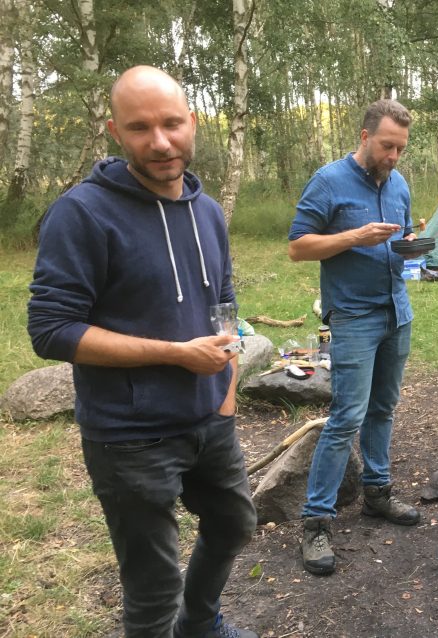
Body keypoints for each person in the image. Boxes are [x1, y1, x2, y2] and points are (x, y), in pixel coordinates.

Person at [27, 66, 257, 638]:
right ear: (114, 132)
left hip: (211, 420)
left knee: (233, 527)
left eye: (172, 124)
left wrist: (225, 395)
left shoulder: (207, 209)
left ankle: (200, 625)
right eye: (139, 128)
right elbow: (51, 329)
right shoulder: (82, 213)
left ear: (193, 122)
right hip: (131, 437)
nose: (160, 142)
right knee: (152, 590)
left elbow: (223, 303)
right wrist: (175, 354)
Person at [288, 99, 422, 576]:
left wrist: (411, 247)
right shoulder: (329, 181)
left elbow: (400, 239)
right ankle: (316, 521)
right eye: (387, 145)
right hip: (354, 317)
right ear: (365, 137)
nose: (393, 156)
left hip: (395, 311)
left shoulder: (399, 183)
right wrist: (352, 237)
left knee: (383, 408)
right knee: (347, 416)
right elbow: (297, 247)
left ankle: (377, 493)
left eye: (400, 148)